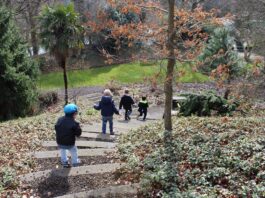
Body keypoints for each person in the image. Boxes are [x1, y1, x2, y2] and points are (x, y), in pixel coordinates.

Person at [55, 103, 82, 168]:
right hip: (70, 143)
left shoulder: (60, 119)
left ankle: (64, 162)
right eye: (76, 113)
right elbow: (78, 134)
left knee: (63, 150)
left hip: (60, 142)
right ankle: (75, 162)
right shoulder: (74, 123)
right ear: (74, 114)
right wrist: (78, 127)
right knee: (74, 151)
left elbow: (56, 127)